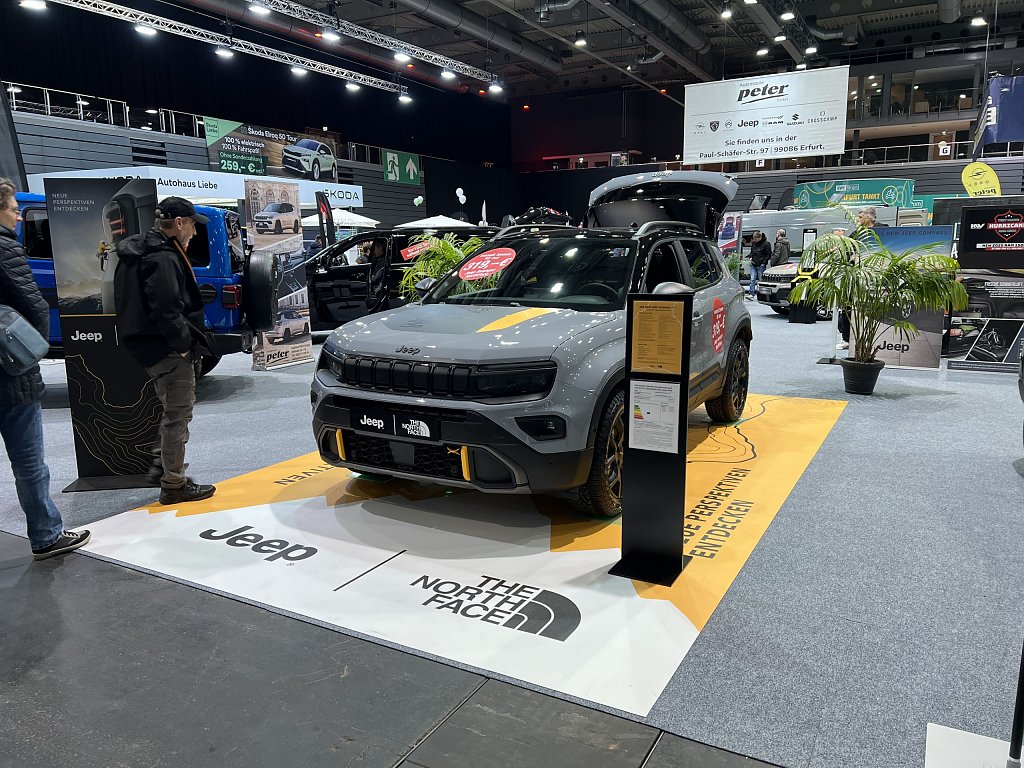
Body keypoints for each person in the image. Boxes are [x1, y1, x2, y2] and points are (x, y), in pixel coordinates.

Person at [0, 178, 91, 559]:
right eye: (13, 209)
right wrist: (32, 349)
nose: (18, 216)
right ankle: (46, 535)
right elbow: (35, 305)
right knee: (28, 462)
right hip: (11, 377)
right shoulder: (5, 247)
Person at [114, 197, 216, 505]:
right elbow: (166, 310)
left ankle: (164, 463)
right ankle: (174, 484)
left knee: (172, 409)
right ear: (179, 223)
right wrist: (183, 346)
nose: (194, 233)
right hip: (167, 349)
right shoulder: (162, 258)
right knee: (178, 414)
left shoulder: (140, 250)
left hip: (149, 346)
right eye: (193, 225)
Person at [747, 230, 772, 299]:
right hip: (754, 263)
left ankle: (761, 294)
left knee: (761, 280)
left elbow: (768, 254)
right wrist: (750, 257)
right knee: (752, 279)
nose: (754, 240)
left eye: (755, 239)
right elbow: (752, 252)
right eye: (754, 239)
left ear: (760, 237)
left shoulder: (766, 244)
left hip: (761, 264)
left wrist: (763, 263)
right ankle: (751, 293)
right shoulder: (754, 243)